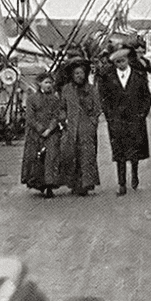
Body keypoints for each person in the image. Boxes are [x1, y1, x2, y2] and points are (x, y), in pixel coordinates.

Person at [99, 47, 151, 196]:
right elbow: (104, 98)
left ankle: (134, 175)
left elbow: (147, 97)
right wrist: (110, 116)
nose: (120, 64)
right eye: (117, 62)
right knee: (119, 153)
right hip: (117, 121)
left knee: (135, 151)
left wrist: (142, 114)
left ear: (128, 60)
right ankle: (121, 183)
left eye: (123, 61)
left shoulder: (139, 76)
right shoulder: (108, 78)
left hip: (135, 120)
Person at [59, 57, 101, 196]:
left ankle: (86, 184)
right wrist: (63, 118)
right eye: (76, 73)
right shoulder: (66, 89)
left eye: (82, 73)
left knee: (87, 156)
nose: (79, 76)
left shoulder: (91, 89)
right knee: (71, 156)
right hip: (71, 127)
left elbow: (97, 108)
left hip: (86, 128)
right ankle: (73, 184)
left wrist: (92, 122)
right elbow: (62, 107)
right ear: (72, 75)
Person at [20, 71, 63, 198]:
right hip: (35, 134)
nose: (49, 85)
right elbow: (30, 117)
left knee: (51, 158)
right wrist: (40, 129)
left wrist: (49, 129)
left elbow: (56, 115)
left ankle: (50, 186)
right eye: (46, 82)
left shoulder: (55, 99)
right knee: (37, 160)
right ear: (39, 84)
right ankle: (40, 184)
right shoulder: (32, 99)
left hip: (52, 133)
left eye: (50, 82)